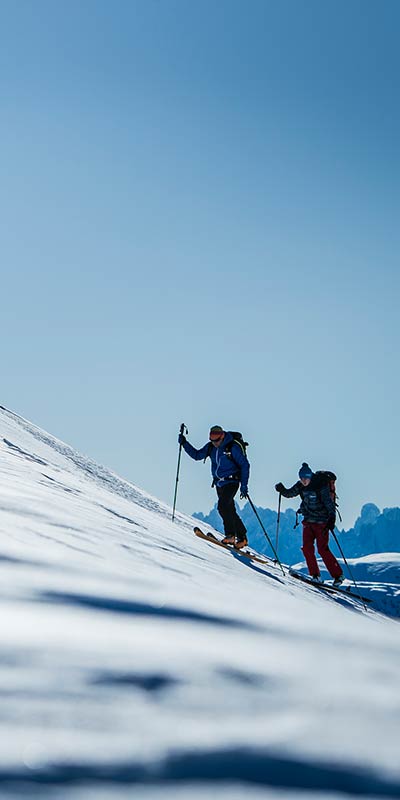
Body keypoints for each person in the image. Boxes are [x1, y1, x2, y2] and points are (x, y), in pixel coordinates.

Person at [179, 425, 249, 549]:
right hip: (219, 484)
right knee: (229, 510)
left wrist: (244, 485)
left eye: (216, 440)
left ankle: (231, 535)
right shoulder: (211, 447)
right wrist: (185, 443)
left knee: (222, 506)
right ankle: (242, 538)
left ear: (222, 436)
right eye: (212, 440)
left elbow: (245, 465)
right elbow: (196, 455)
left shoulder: (232, 447)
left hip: (232, 481)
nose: (214, 443)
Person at [275, 462, 344, 586]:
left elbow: (329, 503)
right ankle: (315, 576)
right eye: (301, 478)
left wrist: (331, 518)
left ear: (310, 476)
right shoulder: (300, 485)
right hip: (308, 521)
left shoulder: (319, 485)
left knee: (322, 549)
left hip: (322, 522)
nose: (303, 480)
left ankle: (338, 576)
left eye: (305, 478)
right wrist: (282, 490)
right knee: (307, 549)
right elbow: (290, 493)